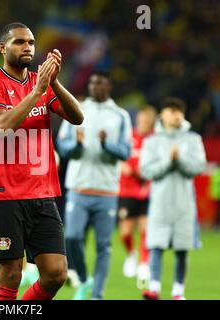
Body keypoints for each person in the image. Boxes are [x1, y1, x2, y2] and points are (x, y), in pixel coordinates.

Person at [0, 22, 84, 300]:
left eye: (31, 42)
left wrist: (54, 83)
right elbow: (1, 125)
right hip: (5, 193)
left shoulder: (43, 83)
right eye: (19, 42)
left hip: (43, 192)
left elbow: (77, 117)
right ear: (3, 48)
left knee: (56, 273)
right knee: (11, 273)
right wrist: (37, 91)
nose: (28, 47)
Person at [56, 71, 132, 300]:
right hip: (78, 187)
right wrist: (76, 147)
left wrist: (106, 144)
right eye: (92, 83)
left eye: (100, 83)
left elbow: (126, 151)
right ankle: (83, 277)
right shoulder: (76, 108)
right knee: (72, 237)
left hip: (106, 190)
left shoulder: (120, 116)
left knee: (103, 246)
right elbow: (62, 145)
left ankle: (97, 295)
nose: (95, 87)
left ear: (109, 86)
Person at [140, 97, 206, 300]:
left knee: (182, 249)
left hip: (184, 205)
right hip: (160, 204)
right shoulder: (152, 141)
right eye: (171, 111)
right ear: (163, 115)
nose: (175, 115)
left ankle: (178, 291)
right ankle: (154, 288)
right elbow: (146, 170)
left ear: (183, 115)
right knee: (156, 246)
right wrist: (169, 161)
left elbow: (198, 168)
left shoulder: (193, 139)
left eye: (179, 111)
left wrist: (180, 160)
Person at [118, 106, 156, 286]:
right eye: (141, 120)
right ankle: (131, 254)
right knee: (125, 232)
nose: (143, 124)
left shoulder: (155, 140)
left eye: (147, 121)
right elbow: (119, 155)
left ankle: (143, 264)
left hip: (147, 191)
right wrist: (122, 165)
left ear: (151, 123)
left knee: (145, 228)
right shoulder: (128, 136)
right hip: (126, 190)